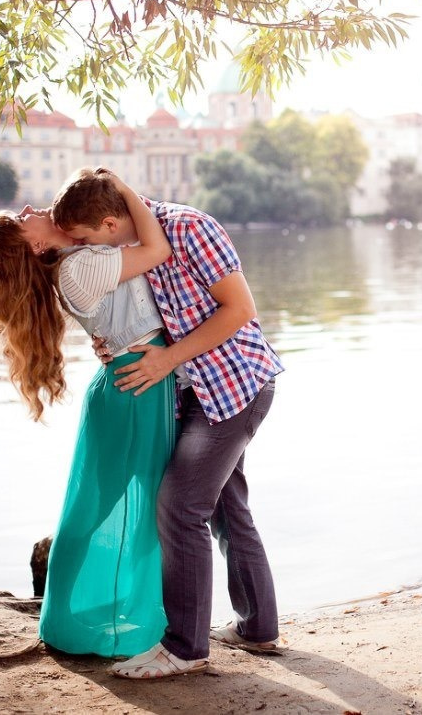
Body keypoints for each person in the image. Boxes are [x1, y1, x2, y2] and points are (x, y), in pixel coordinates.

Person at [52, 168, 284, 680]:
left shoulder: (188, 227)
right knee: (226, 508)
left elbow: (240, 308)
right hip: (190, 392)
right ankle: (258, 628)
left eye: (87, 239)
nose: (83, 249)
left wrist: (166, 359)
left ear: (111, 223)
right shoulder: (129, 249)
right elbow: (138, 315)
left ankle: (184, 647)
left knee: (179, 507)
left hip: (233, 385)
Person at [0, 174, 176, 660]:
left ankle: (107, 610)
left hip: (136, 379)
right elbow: (158, 250)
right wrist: (124, 188)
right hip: (136, 385)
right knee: (110, 507)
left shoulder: (81, 259)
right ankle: (71, 616)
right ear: (37, 245)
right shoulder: (80, 267)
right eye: (21, 221)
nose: (27, 208)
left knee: (121, 504)